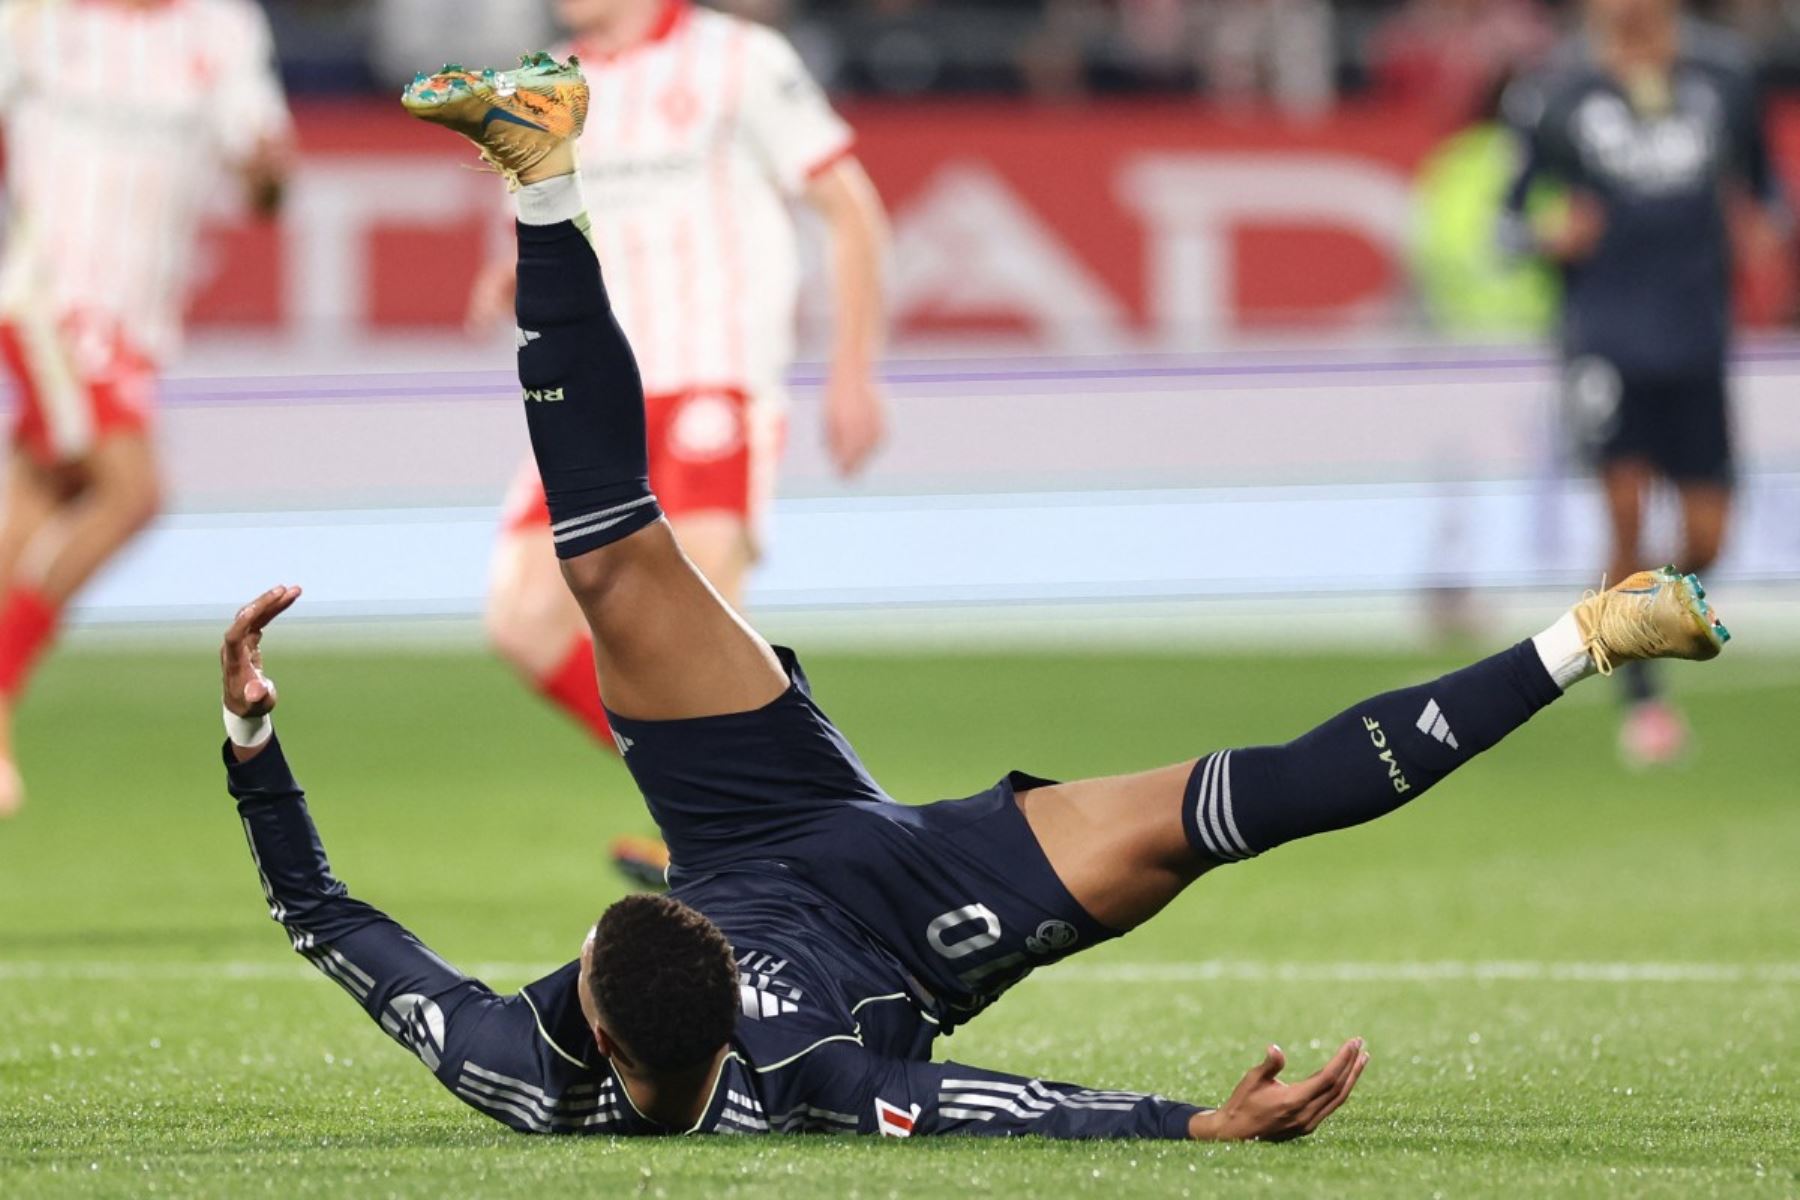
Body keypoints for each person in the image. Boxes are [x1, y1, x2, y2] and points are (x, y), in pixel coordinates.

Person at [214, 55, 1731, 1142]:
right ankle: (1593, 632)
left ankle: (543, 175)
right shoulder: (815, 1079)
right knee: (1225, 811)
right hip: (921, 900)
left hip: (746, 826)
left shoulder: (511, 1059)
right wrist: (1188, 1126)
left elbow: (332, 925)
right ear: (630, 1017)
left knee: (607, 566)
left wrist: (254, 747)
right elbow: (1001, 1105)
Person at [466, 0, 888, 758]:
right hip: (590, 388)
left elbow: (849, 207)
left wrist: (854, 371)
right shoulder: (544, 82)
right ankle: (726, 793)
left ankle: (740, 828)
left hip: (711, 379)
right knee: (522, 620)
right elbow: (573, 222)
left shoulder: (740, 58)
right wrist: (517, 272)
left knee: (695, 634)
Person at [0, 0, 292, 817]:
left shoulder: (220, 27)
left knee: (41, 493)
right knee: (132, 491)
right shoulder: (32, 17)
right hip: (51, 296)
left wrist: (270, 171)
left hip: (134, 319)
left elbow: (261, 175)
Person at [1500, 0, 1784, 766]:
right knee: (1625, 511)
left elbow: (1765, 186)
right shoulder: (1552, 92)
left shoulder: (1722, 76)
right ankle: (1643, 701)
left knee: (1708, 535)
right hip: (1606, 336)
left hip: (1696, 336)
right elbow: (1504, 221)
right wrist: (1544, 235)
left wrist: (1762, 228)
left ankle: (1626, 620)